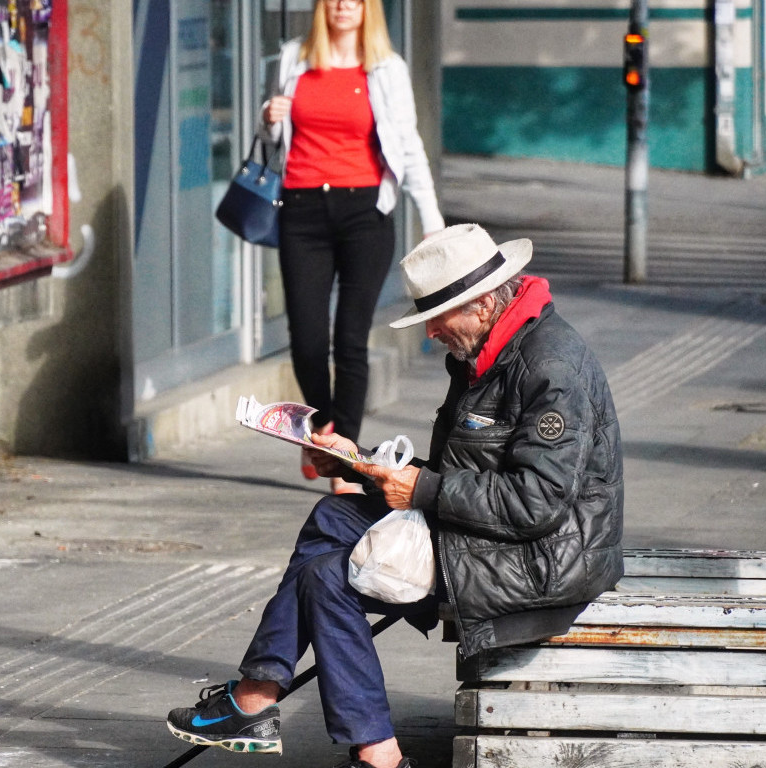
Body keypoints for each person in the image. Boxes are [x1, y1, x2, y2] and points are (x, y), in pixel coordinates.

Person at [165, 224, 624, 768]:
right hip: (496, 533)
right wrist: (360, 463)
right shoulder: (489, 346)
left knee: (326, 578)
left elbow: (537, 504)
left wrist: (423, 489)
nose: (431, 332)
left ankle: (345, 740)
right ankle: (260, 698)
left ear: (479, 305)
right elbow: (468, 469)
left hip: (544, 558)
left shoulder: (549, 368)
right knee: (334, 512)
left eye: (437, 315)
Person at [261, 0, 446, 494]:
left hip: (366, 213)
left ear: (368, 9)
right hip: (301, 210)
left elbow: (408, 145)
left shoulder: (386, 67)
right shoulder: (292, 58)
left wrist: (431, 219)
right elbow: (274, 139)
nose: (344, 5)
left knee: (350, 340)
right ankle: (322, 427)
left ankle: (343, 461)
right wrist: (270, 117)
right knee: (305, 338)